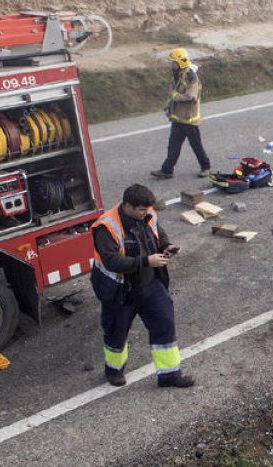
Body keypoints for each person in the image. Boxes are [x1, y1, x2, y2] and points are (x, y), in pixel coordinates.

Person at [89, 184, 193, 388]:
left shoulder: (148, 213)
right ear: (127, 206)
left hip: (149, 284)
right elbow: (112, 262)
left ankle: (170, 375)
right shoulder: (106, 227)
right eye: (141, 209)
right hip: (120, 290)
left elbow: (158, 234)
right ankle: (114, 371)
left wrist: (166, 246)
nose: (146, 213)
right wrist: (146, 261)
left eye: (148, 209)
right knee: (116, 332)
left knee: (164, 324)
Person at [150, 47, 210, 179]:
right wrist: (169, 106)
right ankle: (167, 170)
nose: (171, 65)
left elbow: (191, 96)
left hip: (189, 120)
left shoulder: (191, 77)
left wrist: (175, 96)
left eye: (173, 62)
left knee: (196, 145)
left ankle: (206, 167)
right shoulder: (177, 75)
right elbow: (173, 93)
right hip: (178, 119)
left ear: (180, 63)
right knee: (173, 146)